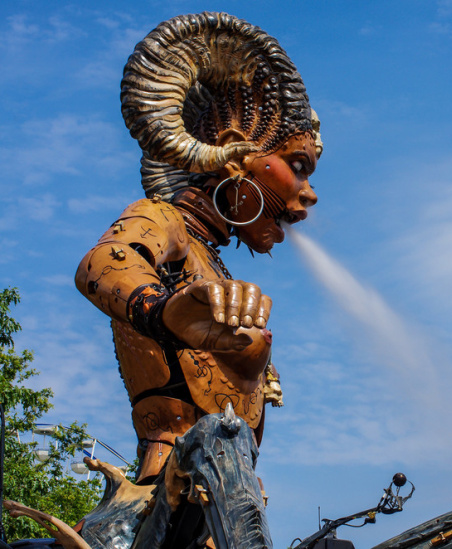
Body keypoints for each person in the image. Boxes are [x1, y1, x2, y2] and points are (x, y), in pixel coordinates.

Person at [75, 12, 321, 483]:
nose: (309, 192)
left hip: (231, 504)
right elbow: (103, 262)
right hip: (168, 495)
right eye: (297, 165)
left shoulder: (214, 266)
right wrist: (164, 310)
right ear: (234, 149)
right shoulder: (164, 220)